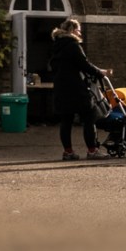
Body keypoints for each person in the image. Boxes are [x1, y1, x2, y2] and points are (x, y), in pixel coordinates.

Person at [48, 19, 111, 161]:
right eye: (78, 30)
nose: (80, 33)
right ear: (72, 30)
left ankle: (68, 152)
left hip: (61, 88)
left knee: (66, 120)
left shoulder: (57, 45)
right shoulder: (73, 45)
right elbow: (84, 64)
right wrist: (100, 73)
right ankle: (92, 150)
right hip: (76, 88)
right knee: (90, 116)